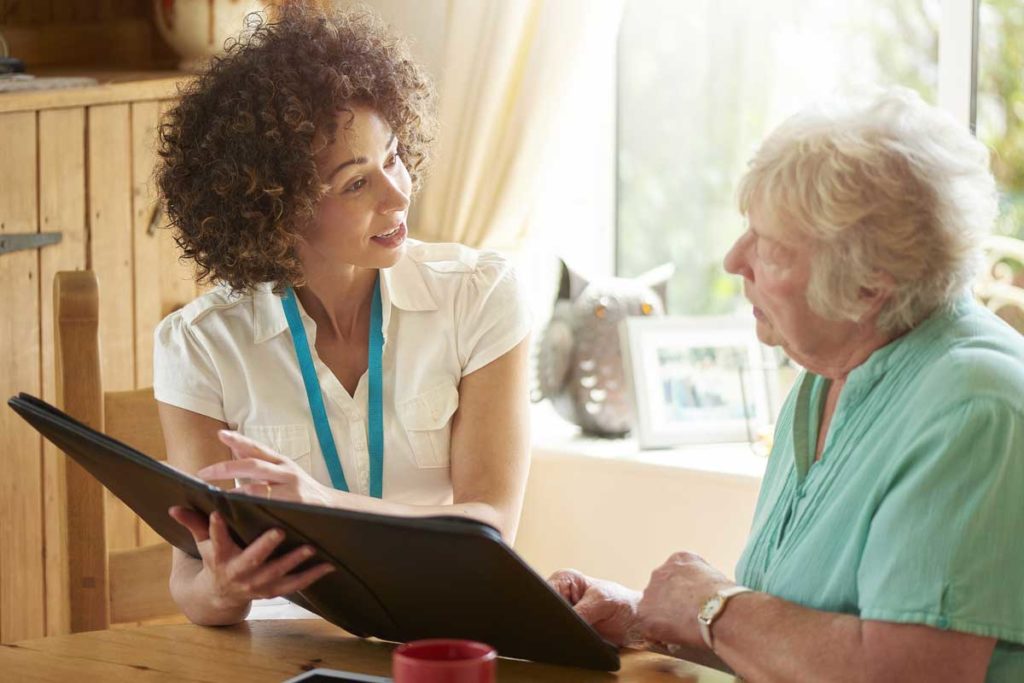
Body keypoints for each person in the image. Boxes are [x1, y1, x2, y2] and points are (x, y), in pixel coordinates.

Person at [550, 88, 1024, 682]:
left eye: (769, 247)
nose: (732, 260)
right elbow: (799, 641)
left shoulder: (974, 405)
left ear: (867, 286)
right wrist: (641, 615)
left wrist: (709, 606)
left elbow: (903, 675)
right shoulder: (827, 376)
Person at [153, 5, 531, 626]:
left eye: (394, 156)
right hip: (282, 654)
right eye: (357, 183)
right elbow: (193, 578)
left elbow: (490, 528)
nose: (400, 193)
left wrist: (321, 504)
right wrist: (223, 591)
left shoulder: (480, 296)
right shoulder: (198, 345)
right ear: (275, 208)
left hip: (444, 636)